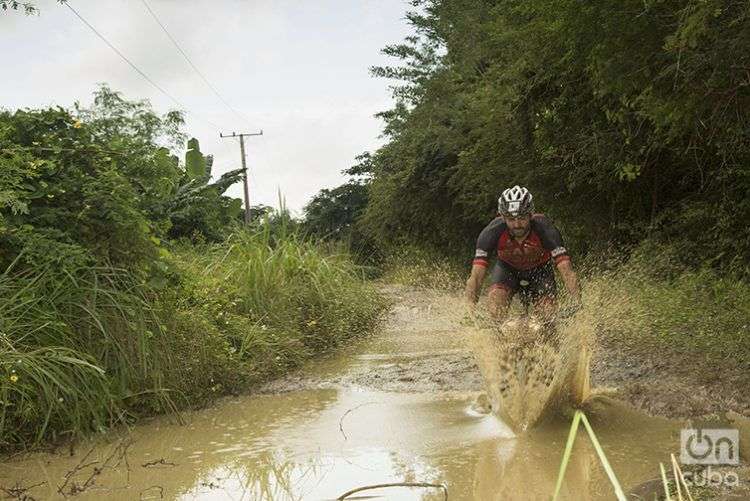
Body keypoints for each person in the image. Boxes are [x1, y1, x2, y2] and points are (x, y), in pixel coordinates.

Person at [465, 185, 580, 322]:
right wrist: (470, 310)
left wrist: (577, 303)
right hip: (507, 270)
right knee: (495, 308)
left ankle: (549, 341)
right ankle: (496, 342)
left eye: (522, 218)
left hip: (540, 271)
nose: (517, 224)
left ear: (531, 215)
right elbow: (476, 277)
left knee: (549, 316)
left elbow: (567, 271)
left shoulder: (545, 229)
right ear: (502, 217)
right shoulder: (491, 232)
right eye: (511, 219)